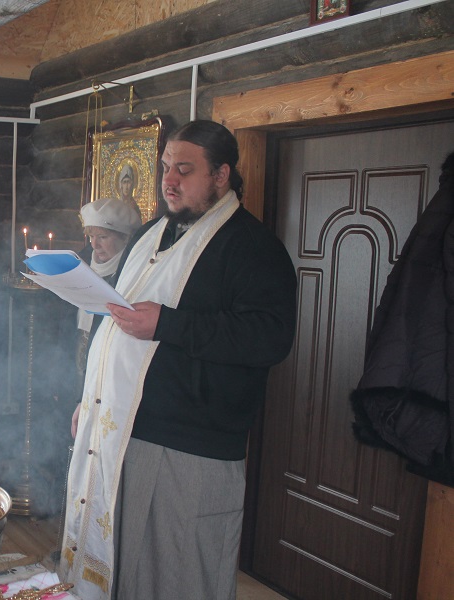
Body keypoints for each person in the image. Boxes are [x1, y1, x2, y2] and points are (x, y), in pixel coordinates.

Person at [58, 120, 297, 600]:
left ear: (221, 175)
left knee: (177, 576)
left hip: (188, 446)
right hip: (119, 430)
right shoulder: (150, 234)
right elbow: (114, 317)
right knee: (120, 571)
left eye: (184, 170)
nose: (169, 180)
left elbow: (268, 339)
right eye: (166, 167)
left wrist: (168, 324)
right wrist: (91, 398)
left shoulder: (253, 247)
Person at [75, 197, 142, 379]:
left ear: (124, 238)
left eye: (103, 237)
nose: (94, 245)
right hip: (77, 362)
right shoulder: (81, 262)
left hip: (113, 365)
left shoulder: (133, 272)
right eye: (91, 237)